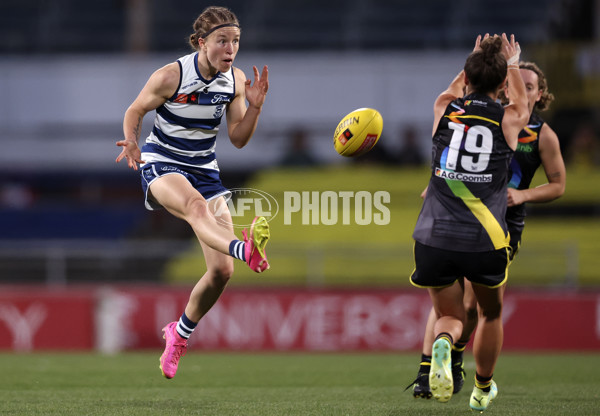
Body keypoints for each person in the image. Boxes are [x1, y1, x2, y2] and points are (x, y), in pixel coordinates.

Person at [115, 6, 271, 379]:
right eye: (222, 41)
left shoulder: (233, 81)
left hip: (204, 170)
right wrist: (133, 142)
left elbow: (237, 139)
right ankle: (244, 247)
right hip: (162, 162)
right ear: (202, 43)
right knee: (195, 207)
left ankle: (179, 333)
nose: (230, 48)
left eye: (235, 41)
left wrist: (255, 108)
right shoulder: (172, 75)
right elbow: (135, 110)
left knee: (222, 272)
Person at [407, 61, 566, 404]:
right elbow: (454, 161)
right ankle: (465, 380)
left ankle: (446, 353)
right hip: (485, 231)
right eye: (514, 79)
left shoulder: (541, 134)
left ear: (541, 94)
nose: (519, 86)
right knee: (480, 308)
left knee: (457, 306)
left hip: (497, 223)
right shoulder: (506, 119)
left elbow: (559, 185)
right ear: (505, 84)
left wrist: (523, 194)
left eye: (528, 83)